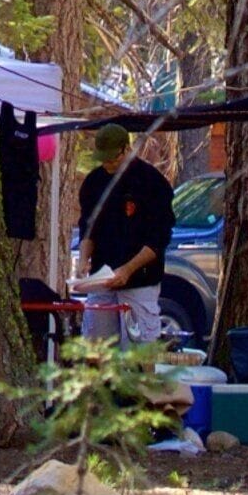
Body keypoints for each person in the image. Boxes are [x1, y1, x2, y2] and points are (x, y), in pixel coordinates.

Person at [67, 126, 177, 342]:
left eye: (113, 159)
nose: (108, 165)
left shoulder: (151, 182)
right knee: (96, 345)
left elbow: (159, 237)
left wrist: (127, 270)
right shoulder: (93, 182)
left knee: (138, 348)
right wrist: (83, 261)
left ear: (126, 149)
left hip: (140, 279)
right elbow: (88, 227)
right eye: (103, 159)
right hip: (102, 278)